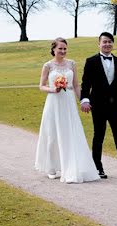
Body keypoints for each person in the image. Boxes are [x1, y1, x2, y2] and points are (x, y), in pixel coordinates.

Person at [34, 37, 100, 184]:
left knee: (70, 133)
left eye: (65, 48)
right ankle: (51, 167)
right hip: (53, 102)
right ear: (53, 50)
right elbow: (41, 85)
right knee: (52, 134)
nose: (63, 51)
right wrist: (53, 89)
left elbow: (76, 85)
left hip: (68, 102)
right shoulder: (48, 66)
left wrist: (82, 101)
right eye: (60, 49)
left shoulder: (71, 64)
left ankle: (70, 166)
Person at [80, 32, 117, 179]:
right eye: (104, 42)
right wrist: (85, 100)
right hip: (97, 105)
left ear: (113, 44)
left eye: (110, 42)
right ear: (99, 44)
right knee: (99, 136)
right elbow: (85, 83)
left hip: (116, 106)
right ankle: (98, 168)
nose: (107, 44)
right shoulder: (91, 61)